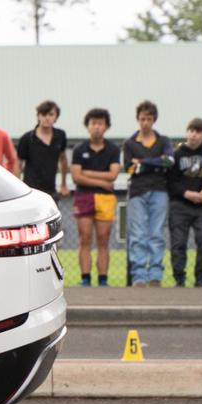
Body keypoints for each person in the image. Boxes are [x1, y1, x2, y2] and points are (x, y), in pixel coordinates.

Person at [122, 100, 174, 287]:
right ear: (138, 119)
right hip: (137, 192)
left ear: (154, 120)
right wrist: (155, 162)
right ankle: (139, 276)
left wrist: (142, 163)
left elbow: (169, 162)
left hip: (159, 191)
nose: (145, 123)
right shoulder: (129, 143)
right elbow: (128, 168)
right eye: (142, 119)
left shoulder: (164, 140)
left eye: (149, 119)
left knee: (157, 233)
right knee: (138, 234)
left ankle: (155, 275)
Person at [70, 108, 121, 287]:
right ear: (87, 126)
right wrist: (101, 181)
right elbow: (76, 176)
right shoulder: (79, 149)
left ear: (106, 126)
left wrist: (87, 173)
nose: (97, 127)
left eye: (100, 123)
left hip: (106, 198)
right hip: (83, 196)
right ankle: (85, 278)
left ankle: (103, 280)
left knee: (103, 240)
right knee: (84, 239)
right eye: (93, 123)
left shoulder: (113, 149)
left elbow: (113, 175)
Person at [168, 118, 202, 288]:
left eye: (198, 132)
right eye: (191, 131)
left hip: (201, 207)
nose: (193, 135)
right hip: (179, 205)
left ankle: (200, 278)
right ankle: (179, 279)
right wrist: (187, 194)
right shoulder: (176, 154)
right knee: (179, 242)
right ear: (187, 132)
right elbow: (170, 181)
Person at [17, 100, 69, 200]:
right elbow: (18, 164)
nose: (47, 118)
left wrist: (63, 183)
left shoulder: (60, 136)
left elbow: (63, 159)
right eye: (43, 114)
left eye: (51, 114)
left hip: (51, 190)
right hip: (31, 191)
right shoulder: (27, 138)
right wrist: (16, 190)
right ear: (38, 116)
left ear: (56, 117)